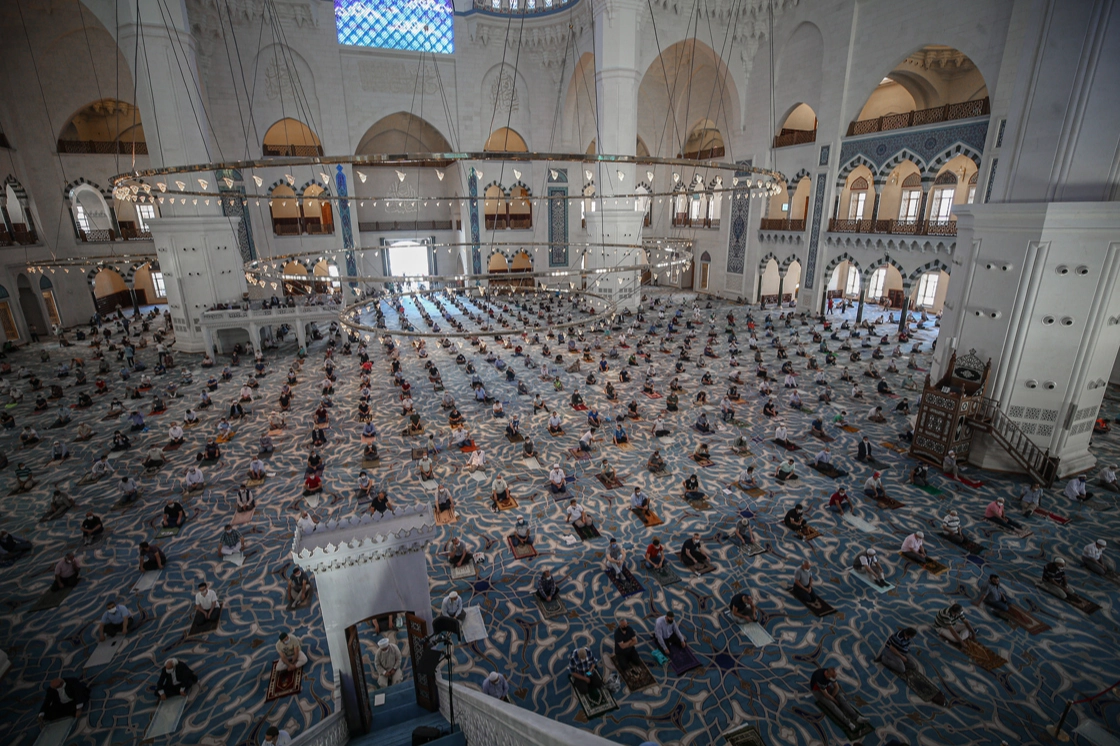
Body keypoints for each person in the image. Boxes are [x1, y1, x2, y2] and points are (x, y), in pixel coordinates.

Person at [809, 667, 867, 732]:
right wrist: (834, 701)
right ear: (827, 674)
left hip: (827, 687)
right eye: (832, 677)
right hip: (818, 691)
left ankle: (856, 717)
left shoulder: (831, 675)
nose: (833, 678)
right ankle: (848, 723)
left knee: (840, 698)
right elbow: (826, 694)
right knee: (832, 705)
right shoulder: (820, 678)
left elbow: (836, 687)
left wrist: (834, 696)